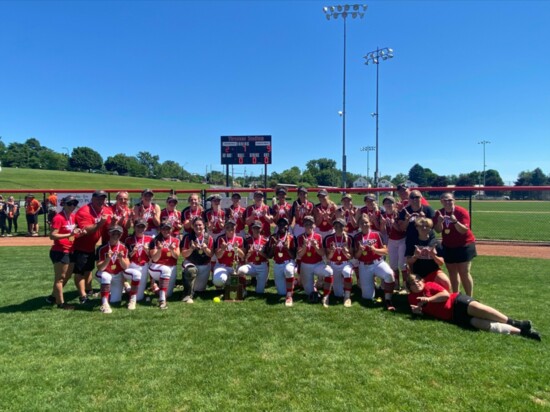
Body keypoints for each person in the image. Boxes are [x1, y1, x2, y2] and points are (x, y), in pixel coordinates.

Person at [407, 276, 541, 341]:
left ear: (423, 281)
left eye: (418, 281)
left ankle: (515, 322)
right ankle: (523, 333)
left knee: (479, 309)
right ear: (410, 288)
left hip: (456, 302)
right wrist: (417, 312)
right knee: (486, 325)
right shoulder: (412, 297)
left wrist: (429, 299)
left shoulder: (430, 285)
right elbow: (422, 312)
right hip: (453, 317)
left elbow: (445, 295)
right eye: (413, 284)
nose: (416, 284)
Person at [73, 190, 113, 303]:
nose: (101, 201)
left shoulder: (106, 210)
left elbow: (109, 227)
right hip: (80, 245)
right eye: (98, 198)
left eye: (103, 198)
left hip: (91, 246)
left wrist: (113, 222)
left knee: (89, 269)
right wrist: (100, 223)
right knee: (79, 272)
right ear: (92, 199)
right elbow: (86, 230)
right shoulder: (84, 211)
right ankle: (82, 295)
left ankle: (89, 290)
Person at [434, 192, 476, 296]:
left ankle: (469, 297)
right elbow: (438, 230)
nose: (447, 202)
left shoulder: (461, 212)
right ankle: (455, 295)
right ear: (441, 201)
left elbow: (464, 230)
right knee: (452, 272)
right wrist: (439, 222)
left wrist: (455, 222)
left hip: (464, 245)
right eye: (444, 200)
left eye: (449, 200)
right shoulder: (439, 213)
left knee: (464, 272)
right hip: (448, 246)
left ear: (454, 200)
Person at [46, 195, 85, 309]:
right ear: (64, 204)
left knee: (66, 277)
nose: (72, 206)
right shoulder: (59, 218)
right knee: (60, 278)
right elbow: (52, 236)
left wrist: (78, 233)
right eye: (69, 203)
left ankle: (52, 297)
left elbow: (72, 233)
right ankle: (61, 303)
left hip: (70, 250)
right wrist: (70, 234)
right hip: (60, 251)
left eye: (74, 203)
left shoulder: (72, 216)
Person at [354, 213, 396, 311]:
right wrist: (360, 250)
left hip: (377, 263)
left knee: (389, 274)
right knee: (367, 297)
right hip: (364, 266)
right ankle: (373, 287)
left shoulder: (377, 234)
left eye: (366, 222)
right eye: (362, 223)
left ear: (370, 223)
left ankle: (388, 299)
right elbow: (355, 256)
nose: (364, 225)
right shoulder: (356, 237)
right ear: (359, 225)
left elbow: (386, 251)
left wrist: (374, 250)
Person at [95, 225, 142, 313]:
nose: (116, 235)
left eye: (118, 233)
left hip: (117, 274)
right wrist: (107, 259)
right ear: (109, 233)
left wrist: (121, 259)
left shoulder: (124, 247)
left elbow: (126, 267)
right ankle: (104, 304)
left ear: (121, 234)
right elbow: (100, 268)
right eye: (113, 233)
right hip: (104, 273)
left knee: (115, 300)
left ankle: (132, 299)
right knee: (106, 277)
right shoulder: (101, 248)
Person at [406, 217, 452, 291]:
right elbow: (408, 261)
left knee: (445, 282)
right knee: (417, 288)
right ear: (417, 227)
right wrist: (415, 256)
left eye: (427, 226)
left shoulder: (435, 243)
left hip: (433, 272)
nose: (424, 228)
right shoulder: (412, 242)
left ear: (430, 228)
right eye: (421, 226)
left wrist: (434, 256)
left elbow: (441, 263)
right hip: (418, 274)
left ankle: (447, 300)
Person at [264, 217, 297, 306]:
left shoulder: (291, 237)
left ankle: (289, 296)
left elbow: (294, 256)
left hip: (288, 261)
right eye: (280, 224)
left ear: (287, 226)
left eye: (284, 224)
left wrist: (287, 248)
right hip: (277, 263)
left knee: (289, 270)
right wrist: (273, 247)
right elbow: (269, 256)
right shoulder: (273, 237)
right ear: (277, 226)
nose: (282, 226)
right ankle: (295, 282)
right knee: (281, 292)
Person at [180, 217, 214, 303]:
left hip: (204, 264)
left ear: (204, 226)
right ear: (192, 226)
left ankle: (193, 288)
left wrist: (206, 249)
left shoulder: (209, 238)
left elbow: (211, 254)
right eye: (195, 225)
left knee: (199, 290)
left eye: (200, 225)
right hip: (191, 262)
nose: (198, 227)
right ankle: (187, 294)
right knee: (190, 271)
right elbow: (184, 254)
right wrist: (191, 249)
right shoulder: (188, 237)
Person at [148, 222, 180, 309]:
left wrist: (172, 250)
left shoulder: (176, 240)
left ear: (172, 229)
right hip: (156, 267)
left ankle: (155, 288)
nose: (166, 231)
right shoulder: (154, 241)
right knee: (165, 270)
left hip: (171, 266)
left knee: (168, 294)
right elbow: (154, 259)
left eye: (168, 228)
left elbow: (177, 256)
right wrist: (159, 250)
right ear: (160, 230)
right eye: (164, 229)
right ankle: (162, 300)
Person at [379, 196, 408, 291]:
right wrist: (383, 224)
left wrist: (394, 223)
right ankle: (396, 284)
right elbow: (383, 231)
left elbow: (401, 230)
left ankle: (405, 285)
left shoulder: (399, 214)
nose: (388, 205)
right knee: (393, 264)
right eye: (386, 203)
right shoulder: (383, 214)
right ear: (384, 205)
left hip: (401, 239)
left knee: (402, 264)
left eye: (390, 203)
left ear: (394, 204)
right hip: (391, 240)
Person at [324, 218, 353, 307]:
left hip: (345, 263)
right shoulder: (328, 238)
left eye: (340, 226)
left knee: (347, 272)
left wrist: (345, 252)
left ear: (344, 227)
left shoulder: (349, 238)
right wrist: (332, 252)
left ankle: (347, 297)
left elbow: (351, 256)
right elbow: (328, 257)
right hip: (333, 264)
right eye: (336, 226)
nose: (337, 227)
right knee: (338, 294)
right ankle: (332, 291)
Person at [125, 218, 153, 302]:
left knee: (139, 298)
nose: (140, 229)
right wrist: (133, 252)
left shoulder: (150, 239)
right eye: (138, 227)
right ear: (134, 227)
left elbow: (152, 257)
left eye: (142, 227)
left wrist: (147, 251)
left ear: (146, 227)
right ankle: (125, 284)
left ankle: (128, 288)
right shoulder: (128, 239)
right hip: (132, 265)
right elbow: (126, 257)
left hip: (144, 265)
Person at [238, 220, 270, 295]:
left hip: (262, 266)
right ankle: (243, 289)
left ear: (261, 229)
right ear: (251, 229)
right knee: (240, 270)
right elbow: (244, 257)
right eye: (254, 228)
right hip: (251, 265)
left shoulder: (265, 240)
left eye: (258, 228)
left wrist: (260, 253)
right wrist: (249, 253)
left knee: (260, 292)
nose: (256, 230)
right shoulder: (247, 240)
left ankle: (260, 285)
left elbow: (268, 257)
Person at [212, 219, 245, 290]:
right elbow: (218, 256)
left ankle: (232, 285)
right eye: (228, 227)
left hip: (235, 265)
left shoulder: (240, 239)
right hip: (222, 265)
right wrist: (223, 249)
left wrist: (236, 248)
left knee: (241, 276)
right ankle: (222, 286)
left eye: (232, 226)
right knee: (218, 280)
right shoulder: (220, 238)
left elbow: (242, 256)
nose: (230, 229)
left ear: (235, 227)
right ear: (224, 227)